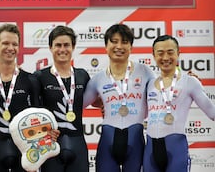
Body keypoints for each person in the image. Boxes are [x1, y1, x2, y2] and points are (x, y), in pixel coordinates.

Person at [0, 23, 58, 172]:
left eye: (14, 44)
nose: (10, 48)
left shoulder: (30, 80)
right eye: (5, 43)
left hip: (23, 149)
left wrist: (50, 131)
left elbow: (39, 116)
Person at [83, 24, 155, 172]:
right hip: (107, 142)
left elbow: (162, 93)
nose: (119, 46)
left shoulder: (145, 72)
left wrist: (184, 82)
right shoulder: (98, 79)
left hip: (136, 142)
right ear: (106, 46)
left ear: (131, 47)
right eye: (114, 41)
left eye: (124, 42)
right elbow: (77, 105)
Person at [143, 35, 215, 172]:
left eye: (170, 52)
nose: (165, 58)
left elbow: (212, 112)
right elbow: (139, 112)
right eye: (160, 53)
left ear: (178, 54)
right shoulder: (150, 84)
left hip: (176, 149)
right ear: (153, 56)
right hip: (150, 149)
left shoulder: (190, 82)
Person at [34, 25, 90, 171]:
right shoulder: (40, 76)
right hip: (49, 144)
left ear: (73, 47)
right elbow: (31, 110)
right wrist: (42, 130)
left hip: (78, 143)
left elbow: (96, 98)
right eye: (58, 45)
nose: (62, 49)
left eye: (66, 45)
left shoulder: (82, 75)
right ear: (50, 47)